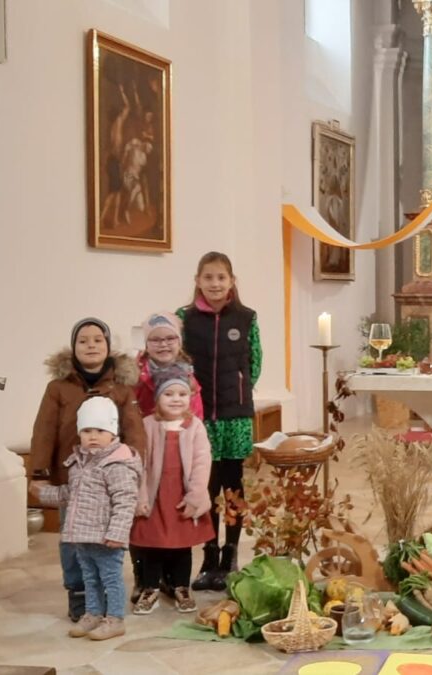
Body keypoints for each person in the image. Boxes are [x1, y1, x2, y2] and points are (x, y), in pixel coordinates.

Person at [29, 318, 146, 622]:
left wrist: (134, 466)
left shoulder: (121, 389)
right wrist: (39, 473)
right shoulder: (58, 388)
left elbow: (134, 430)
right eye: (83, 340)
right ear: (73, 347)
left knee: (105, 538)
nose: (91, 345)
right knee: (72, 537)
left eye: (98, 340)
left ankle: (106, 591)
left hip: (108, 479)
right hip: (73, 477)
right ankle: (78, 591)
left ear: (108, 346)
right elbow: (44, 430)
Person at [179, 252, 262, 591]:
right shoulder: (184, 318)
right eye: (208, 277)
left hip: (235, 416)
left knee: (233, 486)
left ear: (231, 282)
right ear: (198, 281)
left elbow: (255, 363)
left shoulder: (246, 317)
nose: (215, 284)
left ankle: (231, 554)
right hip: (201, 416)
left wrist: (239, 389)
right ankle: (209, 555)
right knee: (206, 486)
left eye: (221, 278)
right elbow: (178, 360)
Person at [30, 397, 142, 640]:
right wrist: (43, 493)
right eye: (87, 430)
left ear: (113, 432)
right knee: (89, 578)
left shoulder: (117, 465)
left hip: (106, 538)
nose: (93, 436)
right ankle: (93, 613)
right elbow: (70, 494)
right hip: (82, 536)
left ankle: (115, 619)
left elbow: (125, 501)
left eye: (100, 431)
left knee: (110, 579)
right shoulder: (79, 463)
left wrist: (117, 533)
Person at [130, 312, 203, 602]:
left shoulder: (189, 376)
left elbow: (196, 419)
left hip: (177, 462)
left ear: (179, 340)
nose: (164, 344)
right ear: (146, 343)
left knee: (176, 525)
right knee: (145, 525)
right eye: (156, 339)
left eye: (170, 337)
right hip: (147, 457)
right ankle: (144, 579)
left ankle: (174, 581)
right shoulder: (134, 374)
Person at [129, 366, 214, 615]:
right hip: (155, 498)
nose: (176, 399)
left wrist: (196, 495)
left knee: (181, 545)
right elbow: (140, 464)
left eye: (182, 394)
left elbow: (202, 462)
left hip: (181, 497)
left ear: (190, 397)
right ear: (157, 398)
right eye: (169, 394)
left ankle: (181, 587)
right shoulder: (147, 425)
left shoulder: (195, 426)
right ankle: (151, 588)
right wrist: (141, 496)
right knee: (152, 545)